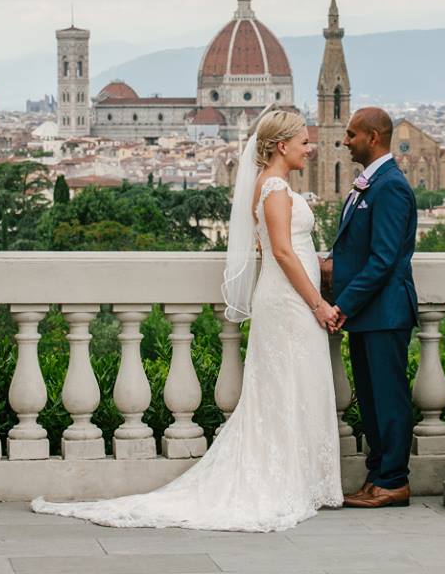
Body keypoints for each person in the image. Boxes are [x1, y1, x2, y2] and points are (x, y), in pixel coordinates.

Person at [32, 110, 343, 532]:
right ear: (282, 145)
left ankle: (298, 477)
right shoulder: (273, 188)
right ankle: (285, 479)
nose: (311, 148)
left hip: (288, 298)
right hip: (290, 302)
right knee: (287, 385)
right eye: (305, 142)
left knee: (293, 386)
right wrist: (318, 305)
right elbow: (284, 254)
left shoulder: (273, 186)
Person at [322, 107, 418, 509]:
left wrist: (343, 303)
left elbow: (384, 259)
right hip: (369, 314)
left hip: (385, 312)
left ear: (373, 137)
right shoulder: (370, 183)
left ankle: (394, 480)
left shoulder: (390, 186)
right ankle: (377, 475)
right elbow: (359, 248)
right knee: (372, 398)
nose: (346, 141)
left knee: (389, 398)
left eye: (351, 135)